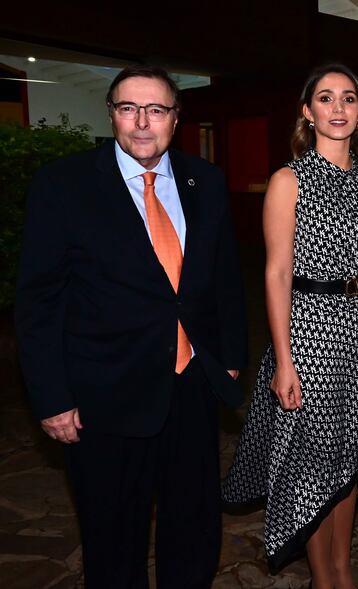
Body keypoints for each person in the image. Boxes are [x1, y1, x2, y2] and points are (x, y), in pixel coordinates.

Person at [15, 65, 248, 588]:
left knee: (193, 531)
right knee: (113, 539)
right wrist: (51, 396)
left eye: (156, 109)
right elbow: (38, 301)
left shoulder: (203, 180)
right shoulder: (64, 186)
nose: (142, 122)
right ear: (112, 114)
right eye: (128, 108)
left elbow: (225, 279)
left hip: (190, 388)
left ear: (176, 117)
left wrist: (228, 358)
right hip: (104, 397)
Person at [222, 64, 358, 588]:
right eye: (325, 99)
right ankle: (325, 577)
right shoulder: (289, 180)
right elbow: (277, 272)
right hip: (313, 332)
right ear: (308, 112)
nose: (338, 108)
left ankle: (342, 568)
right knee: (313, 461)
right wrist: (284, 360)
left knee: (350, 458)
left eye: (348, 98)